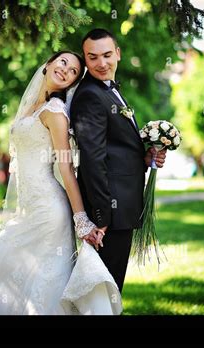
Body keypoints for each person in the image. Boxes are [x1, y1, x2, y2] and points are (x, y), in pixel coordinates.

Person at [0, 51, 122, 315]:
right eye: (63, 63)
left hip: (49, 211)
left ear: (72, 83)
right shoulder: (29, 107)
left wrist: (81, 220)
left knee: (34, 278)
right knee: (4, 272)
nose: (66, 71)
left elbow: (65, 165)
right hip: (27, 209)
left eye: (73, 71)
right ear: (48, 64)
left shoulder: (56, 112)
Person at [70, 29, 167, 293]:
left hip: (121, 206)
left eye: (107, 55)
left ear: (118, 54)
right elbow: (92, 159)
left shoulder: (110, 90)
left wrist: (145, 158)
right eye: (92, 57)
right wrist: (101, 216)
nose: (101, 63)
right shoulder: (90, 94)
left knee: (109, 289)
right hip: (109, 213)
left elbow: (114, 150)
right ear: (85, 60)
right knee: (104, 291)